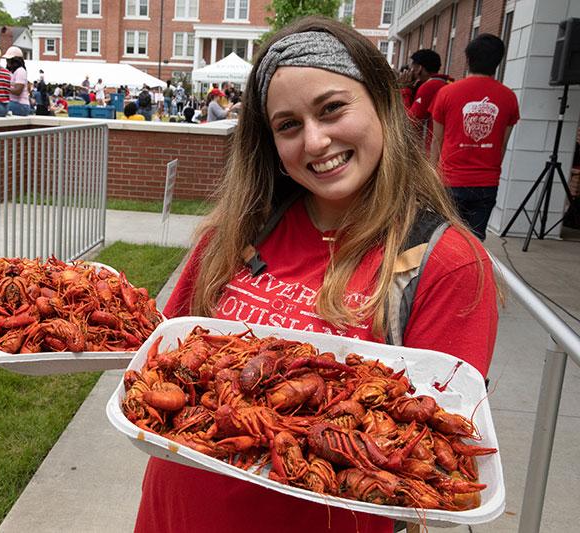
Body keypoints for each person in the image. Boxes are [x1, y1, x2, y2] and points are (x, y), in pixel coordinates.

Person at [135, 15, 498, 533]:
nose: (315, 142)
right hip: (175, 514)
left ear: (383, 103)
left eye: (332, 109)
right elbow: (158, 361)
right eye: (287, 125)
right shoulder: (238, 233)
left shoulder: (442, 261)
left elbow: (439, 452)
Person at [430, 34, 520, 241]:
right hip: (486, 182)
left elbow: (437, 140)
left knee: (444, 240)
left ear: (468, 59)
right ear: (498, 62)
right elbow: (502, 145)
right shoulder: (508, 97)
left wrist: (431, 176)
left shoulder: (447, 93)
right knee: (475, 242)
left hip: (449, 179)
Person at [401, 49, 452, 150]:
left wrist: (405, 89)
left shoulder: (429, 86)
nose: (410, 70)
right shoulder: (445, 82)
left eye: (412, 66)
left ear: (419, 68)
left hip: (431, 148)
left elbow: (410, 122)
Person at [2, 46, 31, 116]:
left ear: (15, 60)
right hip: (14, 103)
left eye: (9, 59)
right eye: (7, 59)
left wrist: (4, 88)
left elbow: (18, 91)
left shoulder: (20, 71)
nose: (7, 61)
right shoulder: (11, 72)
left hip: (22, 106)